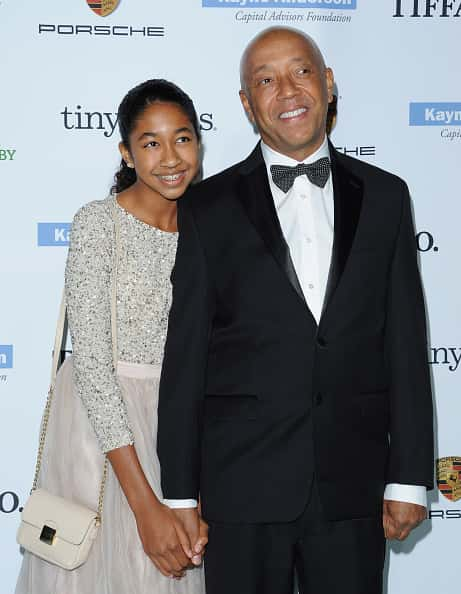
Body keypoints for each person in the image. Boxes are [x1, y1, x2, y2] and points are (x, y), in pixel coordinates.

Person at [157, 28, 434, 594]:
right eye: (264, 79)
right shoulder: (208, 209)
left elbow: (406, 343)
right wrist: (180, 494)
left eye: (301, 71)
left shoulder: (386, 197)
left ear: (329, 84)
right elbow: (184, 358)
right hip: (243, 487)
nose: (286, 90)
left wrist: (407, 479)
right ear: (246, 104)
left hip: (352, 485)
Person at [16, 79, 206, 594]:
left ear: (199, 142)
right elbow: (94, 365)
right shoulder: (99, 224)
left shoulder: (211, 227)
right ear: (126, 151)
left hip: (179, 429)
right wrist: (146, 507)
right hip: (100, 438)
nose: (170, 157)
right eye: (150, 142)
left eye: (182, 138)